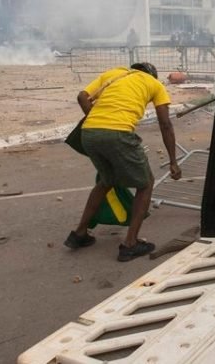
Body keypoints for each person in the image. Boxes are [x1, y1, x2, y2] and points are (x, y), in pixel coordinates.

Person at [64, 62, 182, 262]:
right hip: (118, 133)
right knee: (145, 184)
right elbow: (165, 124)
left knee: (106, 180)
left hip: (89, 132)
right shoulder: (154, 84)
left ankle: (80, 234)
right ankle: (130, 244)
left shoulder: (114, 73)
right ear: (152, 75)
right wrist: (173, 161)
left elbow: (82, 97)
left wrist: (97, 119)